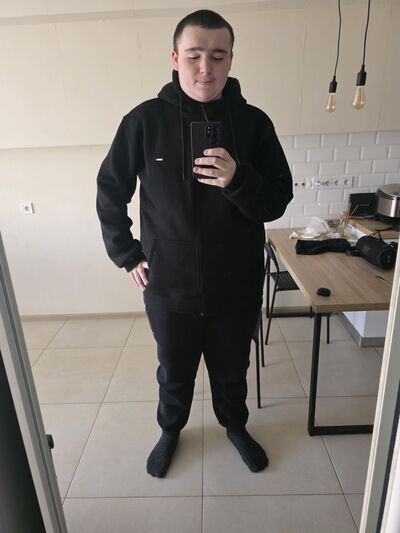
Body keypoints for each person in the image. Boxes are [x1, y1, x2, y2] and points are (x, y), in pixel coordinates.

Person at [96, 9, 293, 478]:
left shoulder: (254, 124)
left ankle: (235, 427)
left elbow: (278, 200)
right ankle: (171, 430)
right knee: (174, 370)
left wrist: (238, 178)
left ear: (231, 60)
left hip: (236, 283)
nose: (206, 68)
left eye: (218, 56)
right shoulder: (143, 121)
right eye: (194, 55)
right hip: (168, 284)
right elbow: (109, 192)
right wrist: (127, 255)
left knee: (232, 370)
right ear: (174, 58)